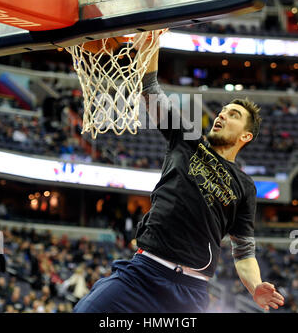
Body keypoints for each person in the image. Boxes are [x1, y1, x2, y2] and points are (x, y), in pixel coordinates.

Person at [73, 31, 285, 313]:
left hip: (189, 292)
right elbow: (150, 90)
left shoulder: (245, 186)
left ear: (246, 136)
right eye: (223, 110)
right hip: (143, 272)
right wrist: (151, 44)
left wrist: (255, 286)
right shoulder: (187, 138)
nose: (222, 114)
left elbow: (244, 252)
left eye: (233, 114)